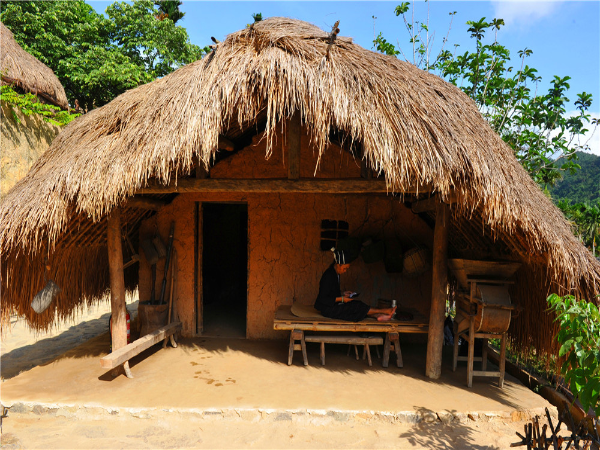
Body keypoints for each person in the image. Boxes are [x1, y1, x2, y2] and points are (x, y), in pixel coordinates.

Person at [314, 249, 397, 322]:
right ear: (338, 264)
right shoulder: (328, 276)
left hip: (333, 305)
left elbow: (331, 292)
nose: (345, 271)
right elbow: (323, 298)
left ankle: (377, 315)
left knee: (355, 305)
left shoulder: (336, 273)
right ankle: (385, 311)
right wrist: (342, 299)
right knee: (355, 307)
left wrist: (343, 293)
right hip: (328, 309)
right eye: (345, 268)